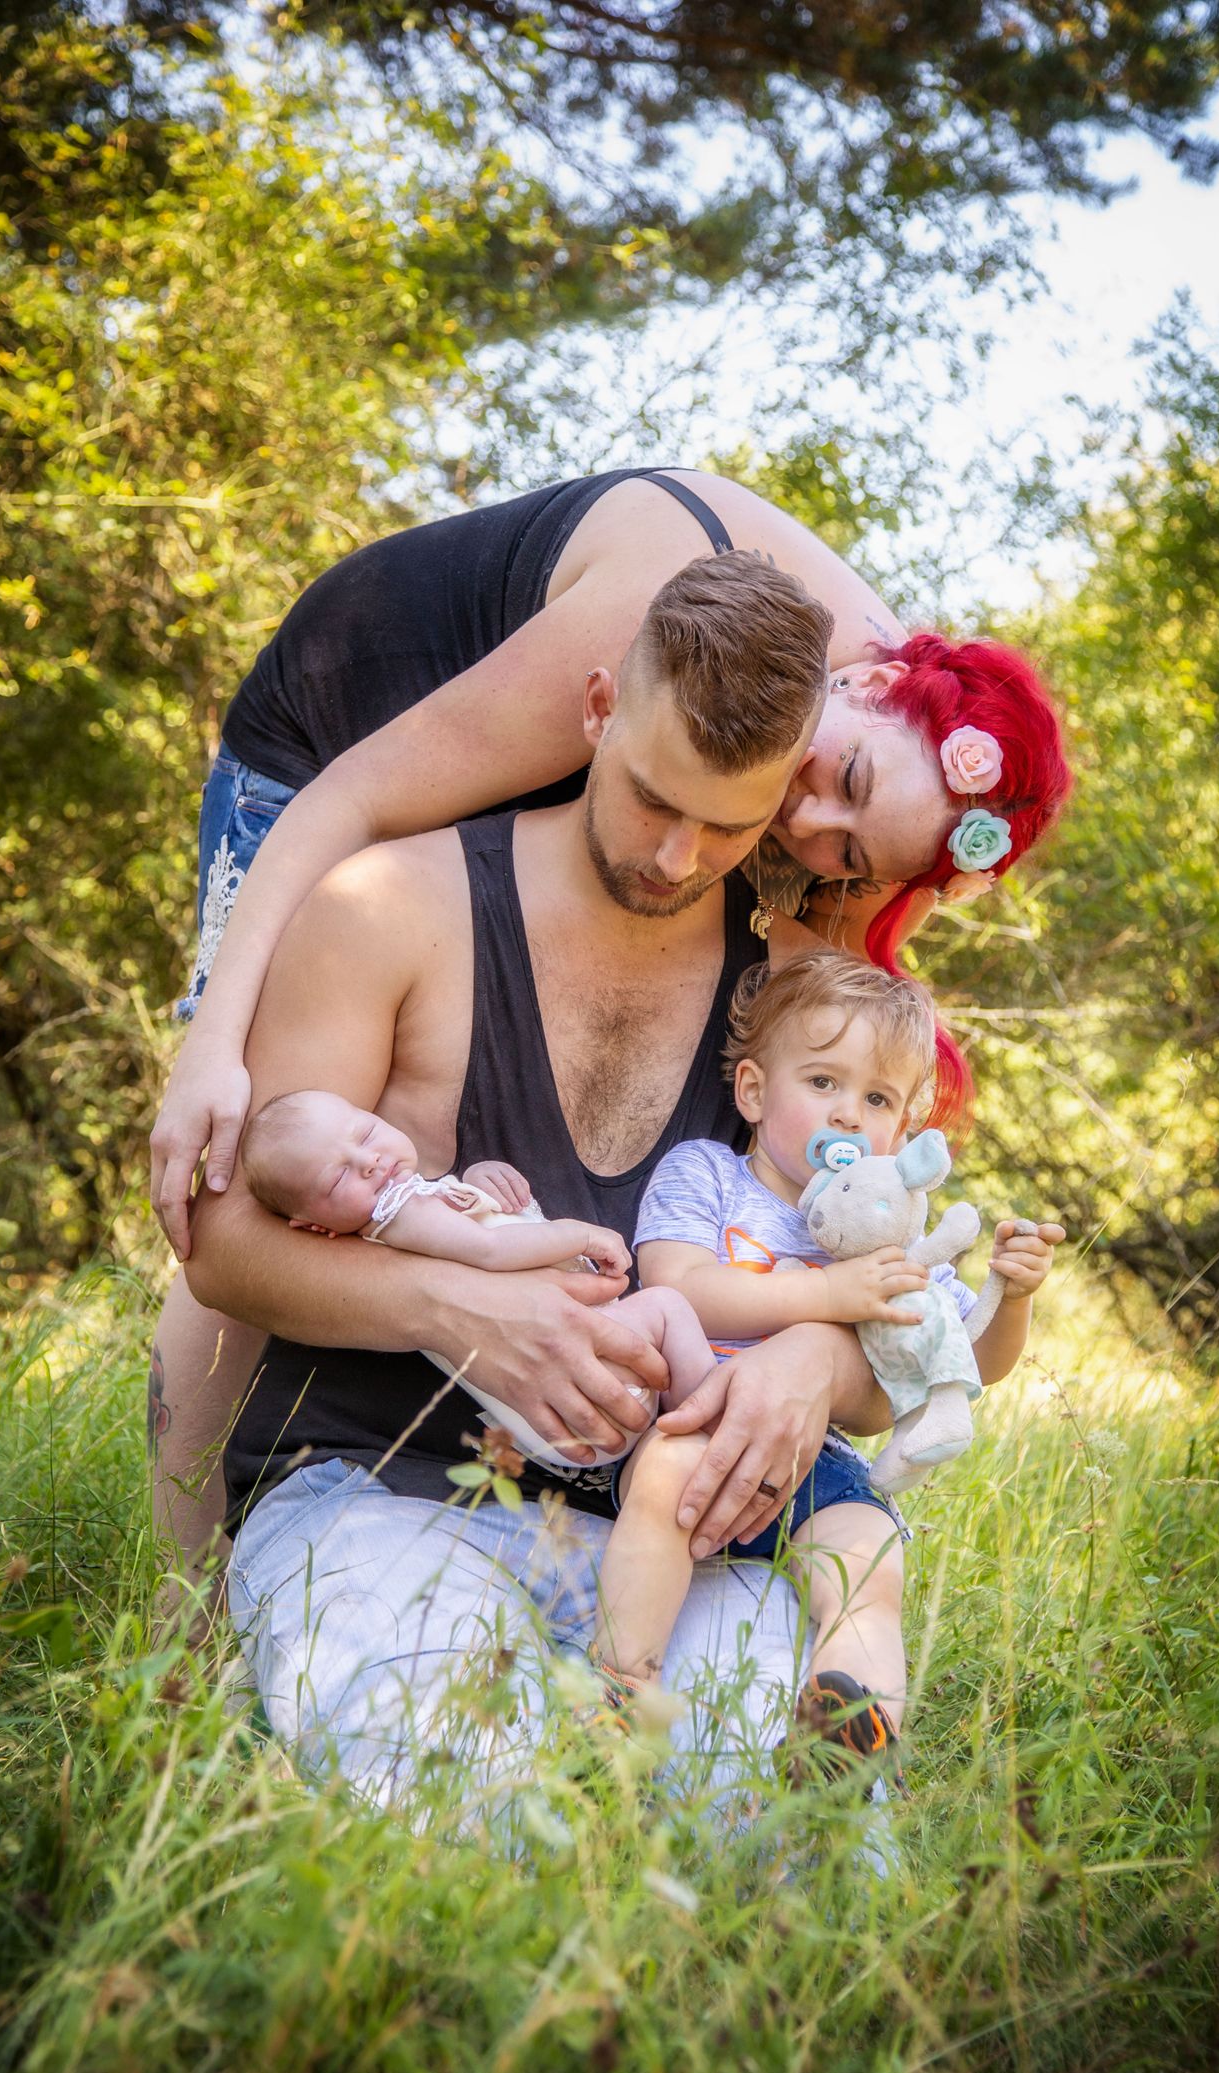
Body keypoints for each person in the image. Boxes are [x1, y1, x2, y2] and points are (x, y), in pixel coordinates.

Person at [148, 466, 1072, 1590]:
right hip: (331, 750)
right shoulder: (661, 622)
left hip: (601, 783)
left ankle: (527, 1503)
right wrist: (212, 1042)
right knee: (285, 1158)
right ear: (869, 677)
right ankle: (185, 1603)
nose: (808, 817)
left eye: (847, 851)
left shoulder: (835, 775)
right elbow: (350, 800)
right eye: (842, 775)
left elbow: (820, 1102)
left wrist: (817, 1350)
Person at [186, 552, 916, 1787]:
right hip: (380, 1499)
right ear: (596, 712)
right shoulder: (388, 908)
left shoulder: (800, 1003)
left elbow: (892, 1320)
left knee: (804, 1861)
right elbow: (218, 1249)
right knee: (463, 1807)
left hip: (682, 1548)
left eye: (729, 822)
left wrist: (814, 1358)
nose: (679, 855)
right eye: (649, 797)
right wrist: (454, 1308)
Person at [589, 952, 1064, 1786]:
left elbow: (966, 1363)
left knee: (872, 1557)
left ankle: (847, 1722)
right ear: (753, 1092)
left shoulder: (896, 1241)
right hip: (699, 1423)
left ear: (901, 1134)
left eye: (876, 1099)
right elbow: (680, 1286)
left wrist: (1011, 1295)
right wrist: (829, 1292)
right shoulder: (708, 1175)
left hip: (823, 1460)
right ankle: (623, 1687)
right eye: (822, 1082)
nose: (848, 1115)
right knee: (664, 1483)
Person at [238, 1084, 716, 1469]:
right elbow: (492, 1249)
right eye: (338, 1178)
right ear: (315, 1227)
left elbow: (490, 1229)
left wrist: (479, 1184)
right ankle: (714, 1425)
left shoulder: (408, 1214)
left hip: (561, 1415)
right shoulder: (398, 1213)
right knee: (667, 1306)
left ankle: (675, 1455)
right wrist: (581, 1236)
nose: (369, 1161)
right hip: (583, 1382)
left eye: (365, 1134)